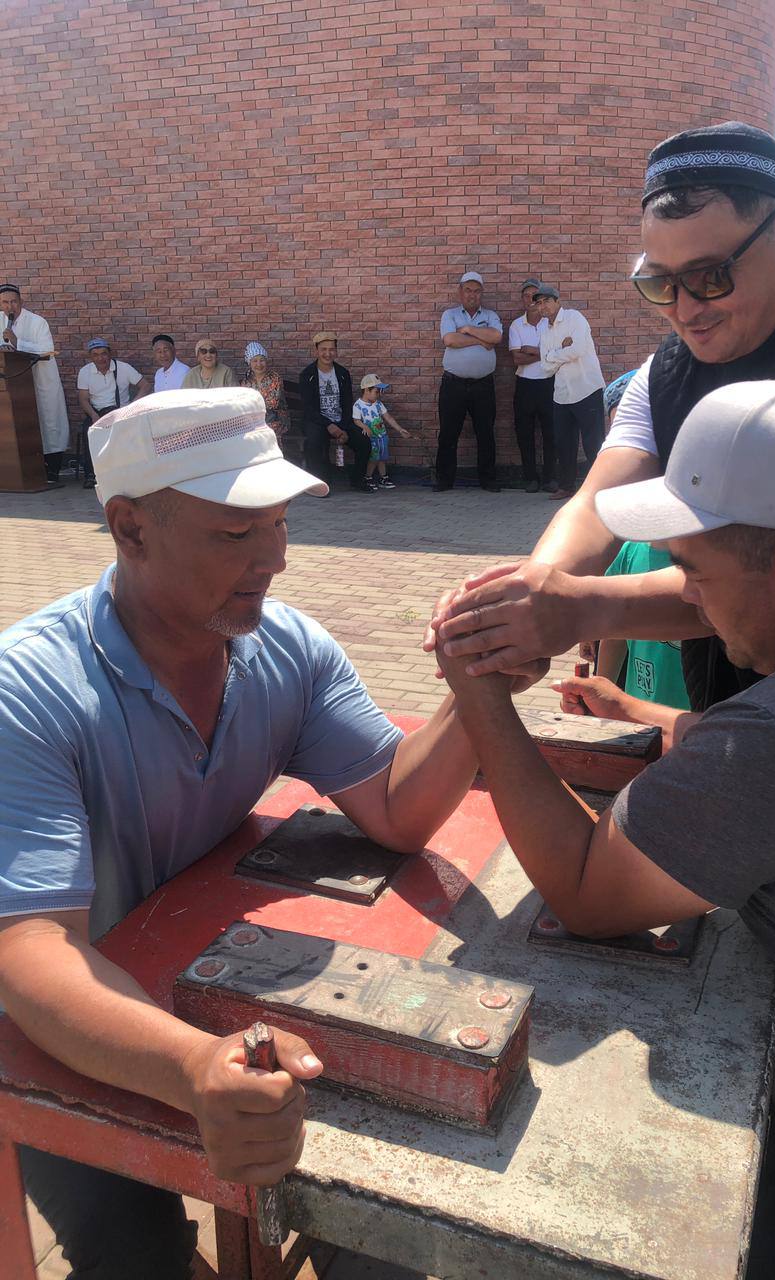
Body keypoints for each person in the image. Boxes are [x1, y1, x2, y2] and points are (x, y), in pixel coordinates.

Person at [434, 378, 775, 1280]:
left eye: (699, 576)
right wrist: (625, 679)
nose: (694, 605)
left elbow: (587, 892)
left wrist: (477, 691)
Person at [0, 386, 480, 1279]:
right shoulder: (28, 693)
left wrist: (476, 690)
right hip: (61, 1019)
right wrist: (192, 1066)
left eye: (280, 523)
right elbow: (31, 952)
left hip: (209, 975)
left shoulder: (288, 651)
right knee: (133, 1253)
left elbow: (396, 810)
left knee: (379, 1220)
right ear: (130, 528)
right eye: (235, 532)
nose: (275, 558)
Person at [430, 121, 775, 712]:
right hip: (740, 705)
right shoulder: (667, 369)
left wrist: (576, 608)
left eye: (711, 277)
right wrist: (525, 600)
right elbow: (598, 501)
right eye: (660, 283)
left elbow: (758, 572)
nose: (684, 310)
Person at [554, 370, 689, 718]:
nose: (636, 463)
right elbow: (615, 628)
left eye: (651, 444)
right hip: (641, 718)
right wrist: (600, 693)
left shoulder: (708, 555)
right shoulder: (631, 547)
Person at [534, 284, 605, 501]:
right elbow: (545, 368)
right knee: (564, 444)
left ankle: (600, 489)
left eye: (547, 301)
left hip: (587, 389)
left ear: (558, 301)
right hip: (562, 394)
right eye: (539, 303)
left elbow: (579, 349)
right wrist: (563, 350)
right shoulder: (544, 330)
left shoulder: (575, 318)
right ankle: (566, 487)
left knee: (594, 443)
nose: (543, 306)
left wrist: (553, 355)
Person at [434, 271, 502, 492]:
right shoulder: (450, 314)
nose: (472, 295)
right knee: (448, 433)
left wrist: (469, 330)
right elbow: (450, 340)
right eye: (468, 290)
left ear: (482, 293)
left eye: (477, 291)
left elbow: (496, 337)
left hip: (483, 385)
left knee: (486, 433)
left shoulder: (491, 315)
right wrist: (481, 340)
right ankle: (444, 480)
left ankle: (488, 480)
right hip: (453, 384)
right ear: (460, 292)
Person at [0, 283, 70, 485]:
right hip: (14, 384)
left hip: (41, 381)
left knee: (49, 423)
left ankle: (52, 469)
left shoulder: (37, 322)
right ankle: (19, 469)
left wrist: (18, 343)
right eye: (5, 302)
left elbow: (47, 349)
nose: (10, 306)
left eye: (14, 302)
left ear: (21, 302)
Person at [298, 331, 371, 493]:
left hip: (341, 421)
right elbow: (308, 408)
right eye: (323, 349)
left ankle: (357, 480)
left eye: (331, 349)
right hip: (318, 421)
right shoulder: (307, 375)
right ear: (316, 351)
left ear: (336, 351)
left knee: (363, 440)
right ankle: (320, 484)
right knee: (314, 441)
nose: (327, 353)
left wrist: (343, 427)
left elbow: (347, 403)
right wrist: (329, 425)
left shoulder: (343, 373)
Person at [77, 338, 149, 489]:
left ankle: (124, 472)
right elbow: (83, 399)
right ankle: (92, 475)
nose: (100, 358)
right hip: (97, 412)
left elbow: (145, 386)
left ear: (110, 354)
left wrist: (132, 407)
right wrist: (93, 415)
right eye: (95, 354)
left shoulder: (123, 368)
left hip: (120, 411)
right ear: (90, 357)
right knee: (88, 431)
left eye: (104, 353)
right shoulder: (85, 372)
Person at [508, 277, 557, 493]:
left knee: (551, 433)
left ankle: (550, 478)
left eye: (534, 296)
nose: (530, 300)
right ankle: (530, 478)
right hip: (525, 385)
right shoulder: (516, 325)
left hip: (549, 383)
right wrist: (546, 353)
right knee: (524, 434)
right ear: (522, 299)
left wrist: (533, 350)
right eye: (526, 296)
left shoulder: (552, 323)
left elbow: (559, 354)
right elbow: (517, 359)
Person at [353, 374, 411, 490]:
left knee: (382, 458)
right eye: (377, 391)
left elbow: (388, 417)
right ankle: (368, 477)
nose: (379, 394)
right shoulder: (358, 405)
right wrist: (364, 426)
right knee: (373, 459)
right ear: (366, 390)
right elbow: (356, 420)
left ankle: (383, 477)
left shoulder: (379, 404)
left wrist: (400, 429)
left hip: (382, 436)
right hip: (371, 438)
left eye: (380, 391)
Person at [241, 340, 290, 443]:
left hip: (275, 418)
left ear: (266, 361)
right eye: (255, 361)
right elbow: (244, 404)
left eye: (262, 360)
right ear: (249, 363)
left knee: (265, 432)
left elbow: (272, 404)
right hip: (254, 420)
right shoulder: (246, 380)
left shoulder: (275, 378)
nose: (259, 364)